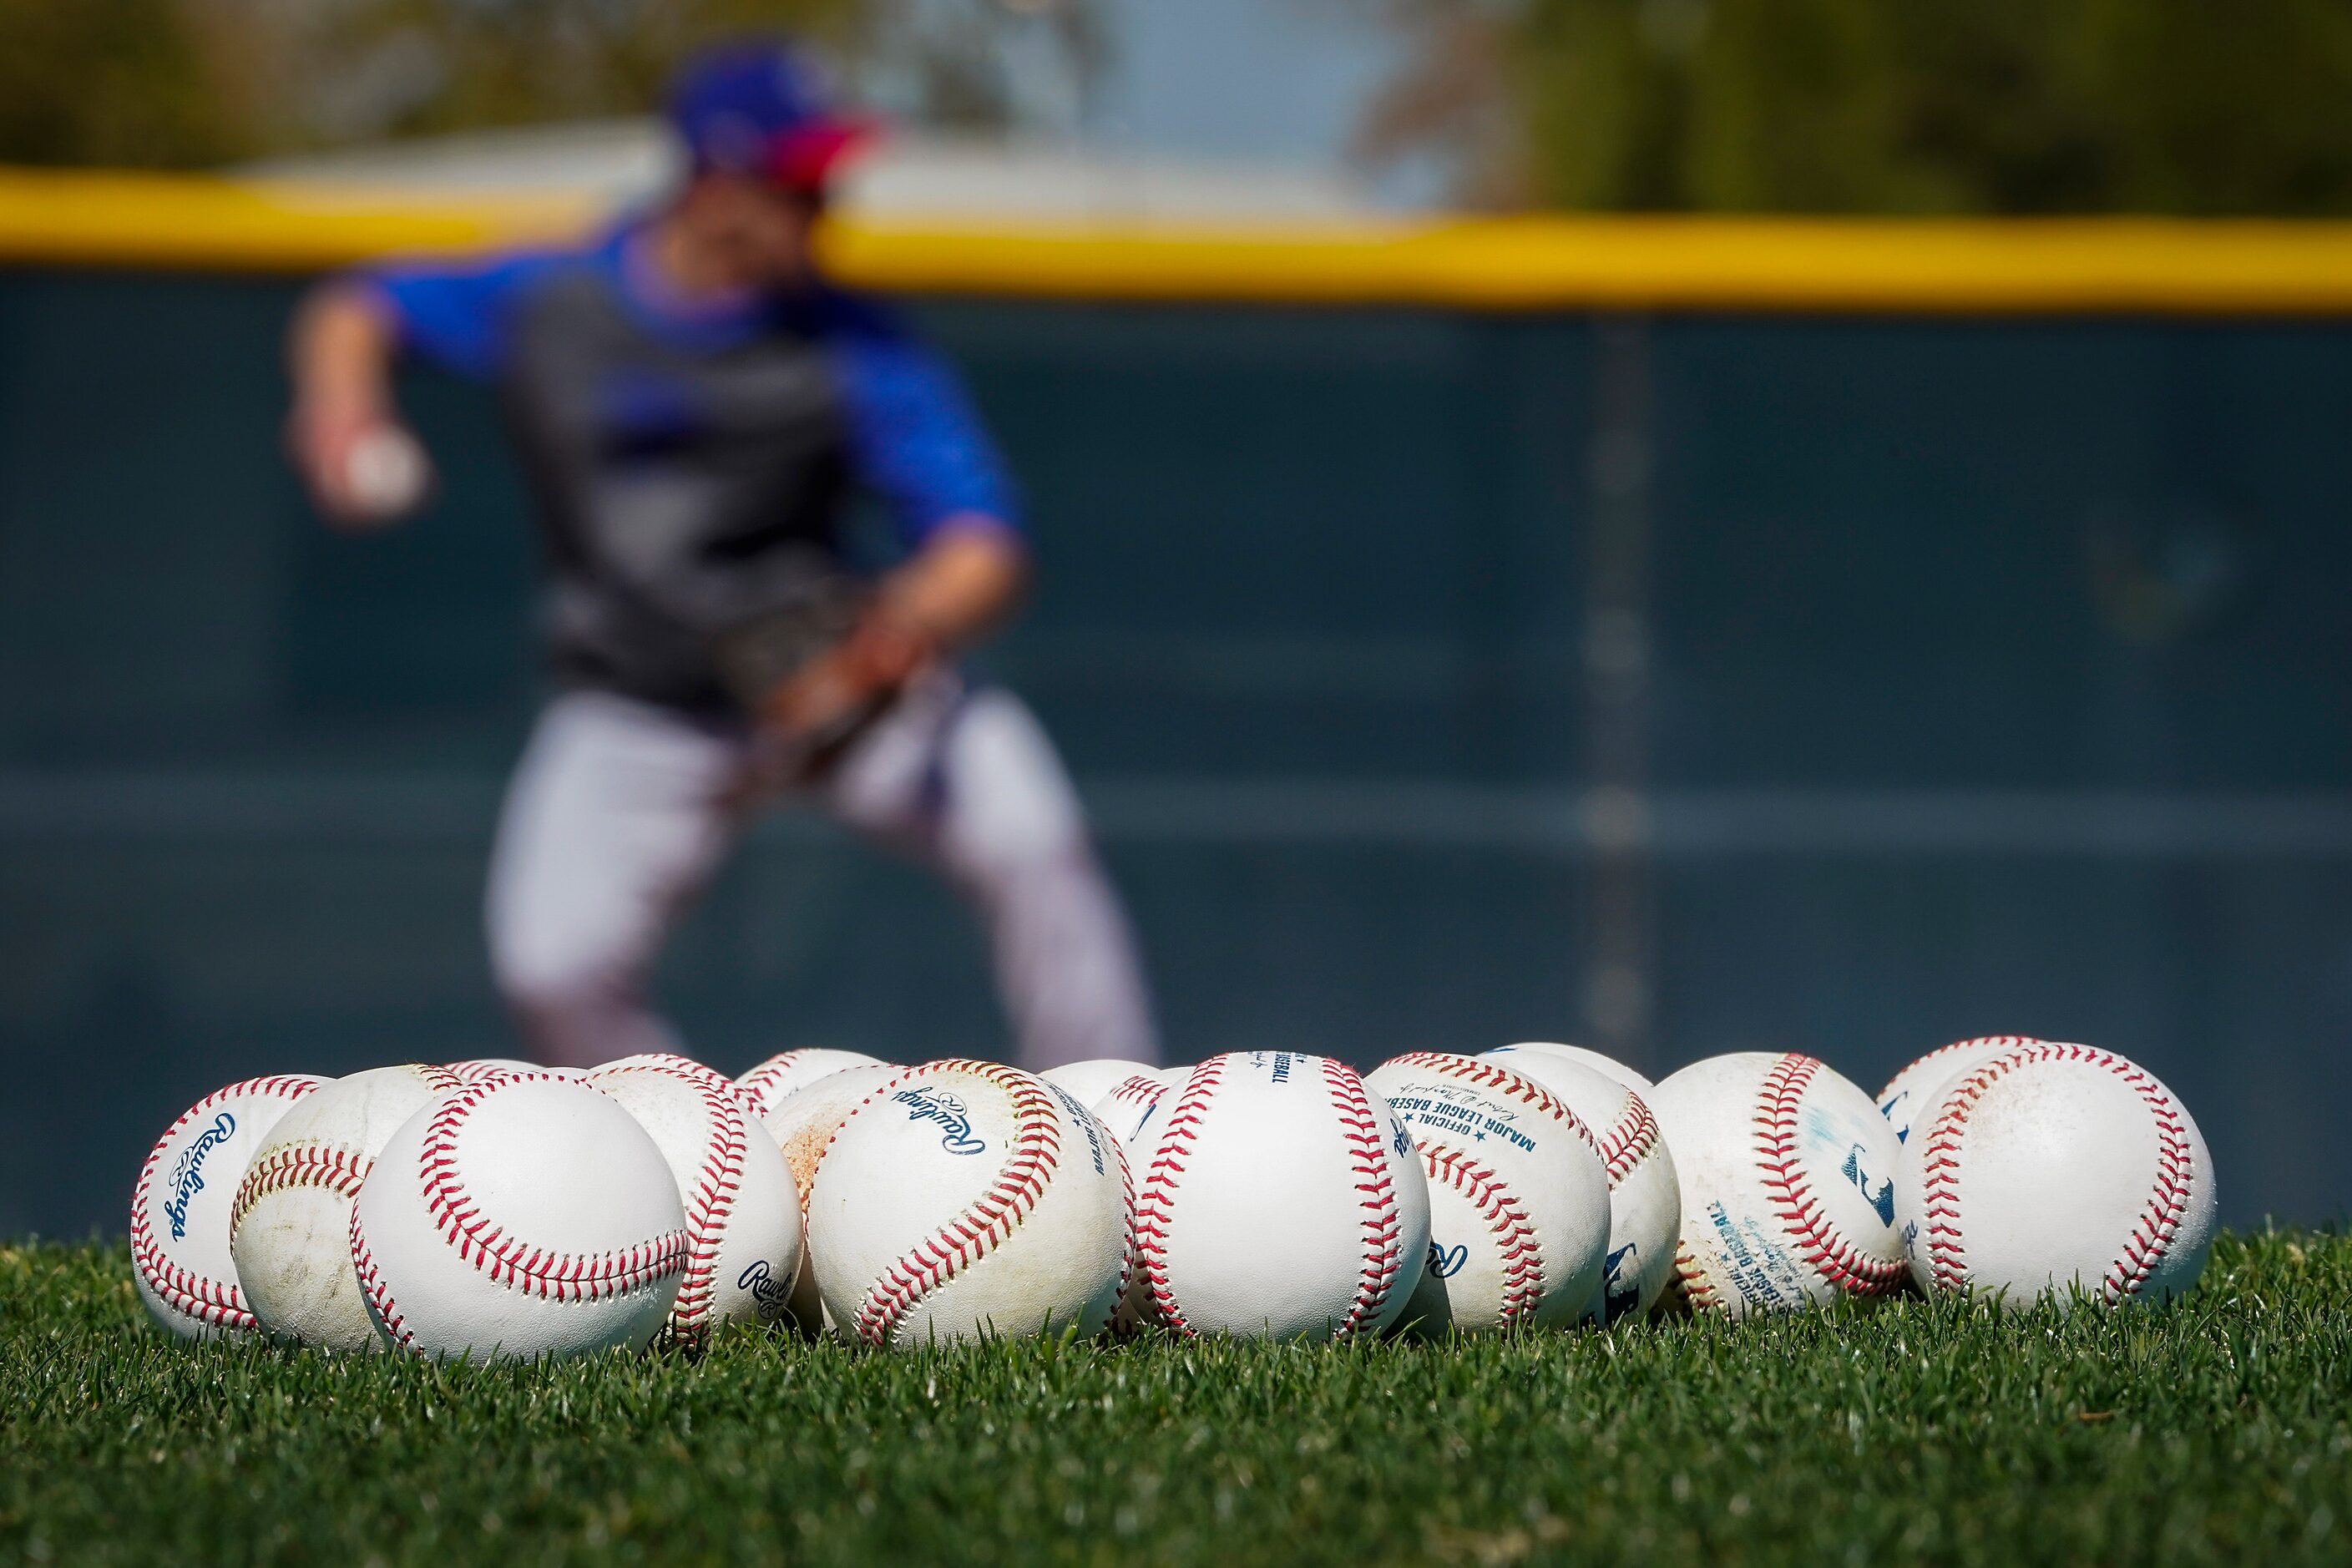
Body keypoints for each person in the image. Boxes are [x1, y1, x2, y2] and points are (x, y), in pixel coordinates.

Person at [284, 40, 1158, 1072]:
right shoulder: (557, 299)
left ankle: (1112, 1121)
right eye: (800, 183)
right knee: (551, 967)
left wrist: (903, 626)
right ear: (716, 182)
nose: (826, 206)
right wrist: (341, 411)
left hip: (822, 666)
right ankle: (682, 1164)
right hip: (639, 695)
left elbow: (983, 541)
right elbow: (355, 307)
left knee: (1030, 838)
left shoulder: (852, 344)